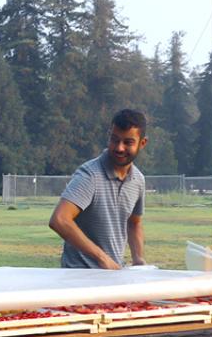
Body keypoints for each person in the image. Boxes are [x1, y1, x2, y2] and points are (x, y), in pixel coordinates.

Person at [48, 109, 149, 270]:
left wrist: (138, 258)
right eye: (114, 139)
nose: (119, 148)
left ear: (142, 143)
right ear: (109, 135)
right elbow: (60, 220)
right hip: (80, 279)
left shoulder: (138, 180)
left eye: (128, 142)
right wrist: (102, 258)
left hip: (112, 277)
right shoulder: (90, 175)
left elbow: (134, 222)